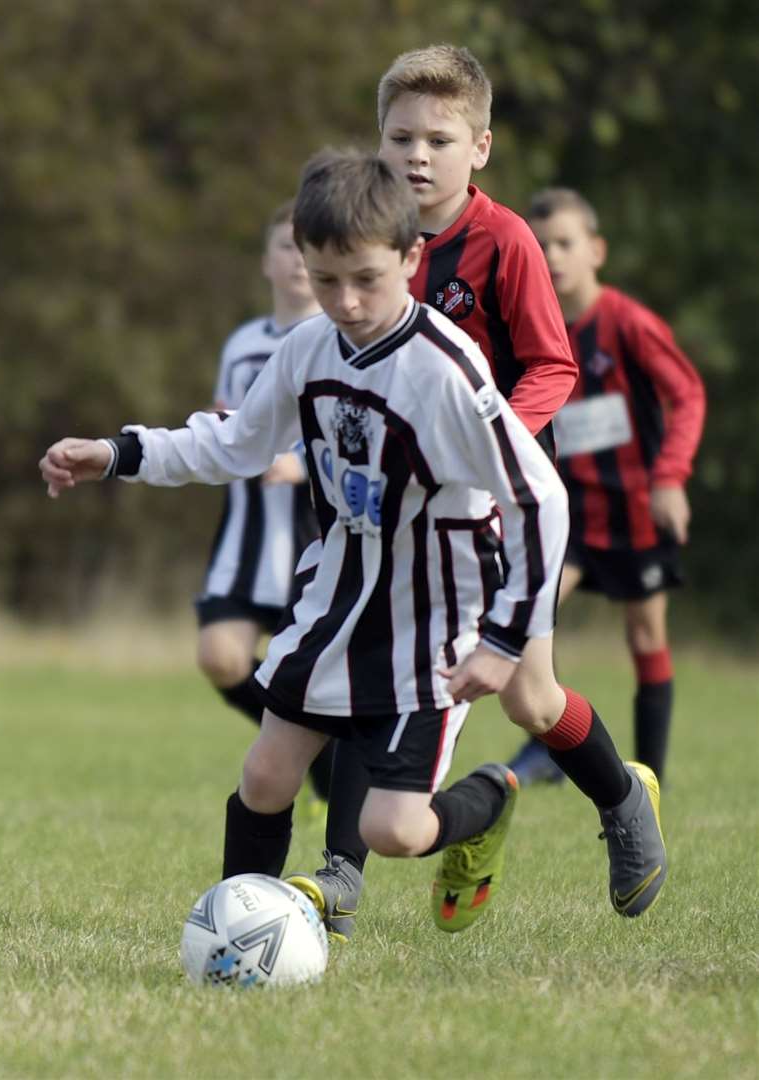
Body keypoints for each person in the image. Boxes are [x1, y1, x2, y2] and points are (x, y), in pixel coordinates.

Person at [42, 149, 554, 937]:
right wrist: (117, 453)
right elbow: (235, 445)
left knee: (395, 831)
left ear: (411, 258)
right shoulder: (306, 350)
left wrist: (503, 638)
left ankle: (485, 804)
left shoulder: (447, 371)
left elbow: (537, 497)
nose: (343, 302)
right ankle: (232, 938)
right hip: (336, 599)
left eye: (364, 280)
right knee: (265, 774)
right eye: (323, 281)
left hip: (429, 626)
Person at [288, 45, 667, 941]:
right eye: (399, 136)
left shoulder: (503, 243)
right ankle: (341, 874)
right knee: (366, 660)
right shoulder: (367, 237)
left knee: (533, 701)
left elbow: (552, 365)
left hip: (495, 507)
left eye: (439, 139)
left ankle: (621, 804)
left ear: (481, 147)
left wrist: (485, 437)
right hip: (394, 514)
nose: (417, 155)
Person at [505, 188, 705, 787]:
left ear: (596, 250)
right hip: (567, 513)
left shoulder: (628, 323)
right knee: (530, 612)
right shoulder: (530, 328)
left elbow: (687, 395)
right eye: (541, 247)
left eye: (565, 243)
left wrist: (670, 476)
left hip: (634, 513)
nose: (553, 256)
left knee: (645, 634)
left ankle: (648, 778)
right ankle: (546, 748)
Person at [196, 200, 329, 803]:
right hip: (247, 532)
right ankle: (312, 757)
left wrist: (298, 463)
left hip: (312, 530)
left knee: (310, 674)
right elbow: (232, 424)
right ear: (266, 262)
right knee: (221, 656)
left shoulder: (334, 335)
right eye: (285, 246)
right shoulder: (243, 343)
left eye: (308, 248)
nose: (297, 260)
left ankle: (312, 758)